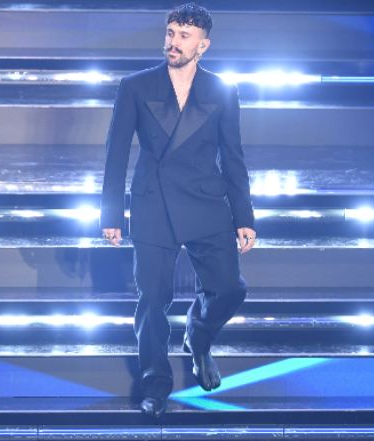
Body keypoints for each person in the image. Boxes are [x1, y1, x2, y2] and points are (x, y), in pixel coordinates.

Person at [100, 2, 256, 418]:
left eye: (184, 36)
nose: (173, 42)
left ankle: (198, 336)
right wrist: (111, 214)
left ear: (203, 45)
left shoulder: (222, 90)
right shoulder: (135, 86)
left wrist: (244, 216)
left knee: (230, 288)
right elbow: (116, 154)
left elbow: (233, 157)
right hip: (153, 202)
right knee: (152, 300)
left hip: (206, 200)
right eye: (170, 33)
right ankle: (155, 385)